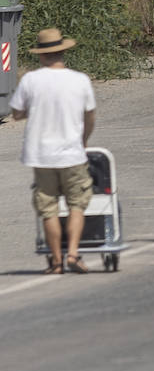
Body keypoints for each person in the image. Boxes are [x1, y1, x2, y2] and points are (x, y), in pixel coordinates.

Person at [10, 28, 96, 274]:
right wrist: (83, 139)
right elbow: (89, 116)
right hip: (71, 152)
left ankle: (56, 261)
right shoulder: (80, 80)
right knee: (77, 204)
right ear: (62, 51)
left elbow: (16, 113)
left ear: (41, 55)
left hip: (41, 155)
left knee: (48, 209)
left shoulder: (30, 80)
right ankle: (73, 254)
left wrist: (33, 110)